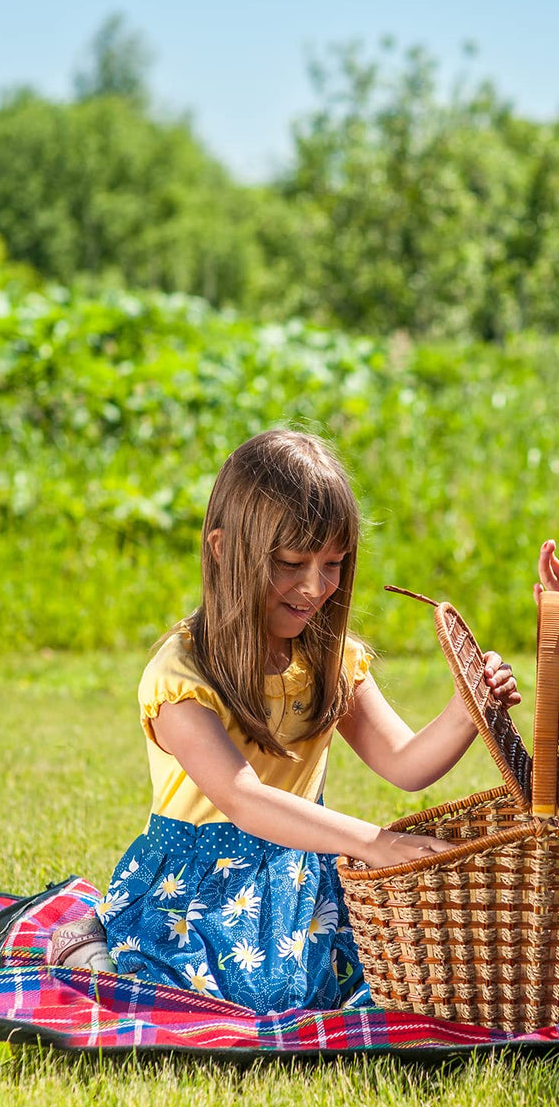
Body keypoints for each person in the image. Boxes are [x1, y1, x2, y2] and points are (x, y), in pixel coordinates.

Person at [48, 429, 521, 1013]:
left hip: (304, 869)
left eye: (333, 565)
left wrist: (466, 708)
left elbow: (406, 764)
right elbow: (244, 800)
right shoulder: (181, 675)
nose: (315, 587)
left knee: (397, 975)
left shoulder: (329, 656)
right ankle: (83, 942)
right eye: (293, 563)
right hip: (200, 879)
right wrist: (377, 843)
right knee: (236, 996)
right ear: (222, 549)